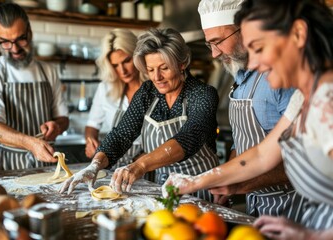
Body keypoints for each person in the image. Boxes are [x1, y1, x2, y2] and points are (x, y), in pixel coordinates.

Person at [163, 0, 333, 238]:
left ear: (298, 34)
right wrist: (194, 182)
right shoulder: (302, 101)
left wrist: (313, 236)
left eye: (258, 48)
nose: (252, 64)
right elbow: (262, 154)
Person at [60, 28, 220, 202]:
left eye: (164, 68)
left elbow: (189, 137)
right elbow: (122, 135)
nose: (157, 77)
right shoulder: (147, 92)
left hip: (201, 189)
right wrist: (95, 165)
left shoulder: (203, 94)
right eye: (150, 70)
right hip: (163, 188)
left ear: (182, 63)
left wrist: (140, 165)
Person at [197, 0, 298, 219]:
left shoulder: (284, 78)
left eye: (218, 42)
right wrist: (230, 177)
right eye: (209, 44)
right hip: (258, 206)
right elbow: (246, 143)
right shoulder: (241, 78)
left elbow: (301, 159)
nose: (214, 53)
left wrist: (239, 182)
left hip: (294, 207)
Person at [0, 3, 69, 171]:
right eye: (5, 42)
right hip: (8, 166)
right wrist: (29, 143)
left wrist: (57, 126)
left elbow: (63, 118)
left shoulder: (48, 71)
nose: (15, 49)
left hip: (48, 164)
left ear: (30, 32)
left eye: (20, 39)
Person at [85, 29, 144, 170]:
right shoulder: (105, 89)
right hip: (115, 166)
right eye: (115, 65)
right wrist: (90, 141)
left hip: (149, 163)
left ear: (137, 56)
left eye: (126, 61)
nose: (122, 70)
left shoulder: (156, 86)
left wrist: (146, 158)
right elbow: (92, 125)